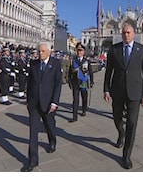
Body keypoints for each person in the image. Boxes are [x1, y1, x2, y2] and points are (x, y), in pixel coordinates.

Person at [103, 23, 143, 170]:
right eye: (124, 33)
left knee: (132, 122)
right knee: (117, 117)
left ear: (134, 34)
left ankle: (126, 155)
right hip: (117, 90)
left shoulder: (141, 50)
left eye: (128, 32)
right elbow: (108, 71)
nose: (126, 35)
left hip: (135, 92)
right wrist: (106, 90)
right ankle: (121, 133)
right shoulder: (114, 49)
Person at [22, 42, 62, 172]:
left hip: (48, 103)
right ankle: (33, 159)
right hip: (34, 103)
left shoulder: (56, 64)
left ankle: (52, 140)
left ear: (49, 52)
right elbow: (30, 83)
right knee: (33, 131)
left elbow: (57, 84)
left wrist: (55, 102)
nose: (40, 54)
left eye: (43, 51)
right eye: (39, 51)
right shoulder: (34, 64)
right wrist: (28, 101)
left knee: (49, 125)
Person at [68, 43, 94, 122]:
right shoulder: (73, 61)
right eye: (78, 51)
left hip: (83, 82)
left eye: (81, 51)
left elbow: (90, 72)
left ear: (83, 52)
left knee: (84, 97)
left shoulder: (86, 61)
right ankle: (74, 117)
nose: (79, 52)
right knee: (75, 99)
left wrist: (92, 81)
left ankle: (84, 109)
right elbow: (70, 72)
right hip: (75, 82)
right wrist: (69, 81)